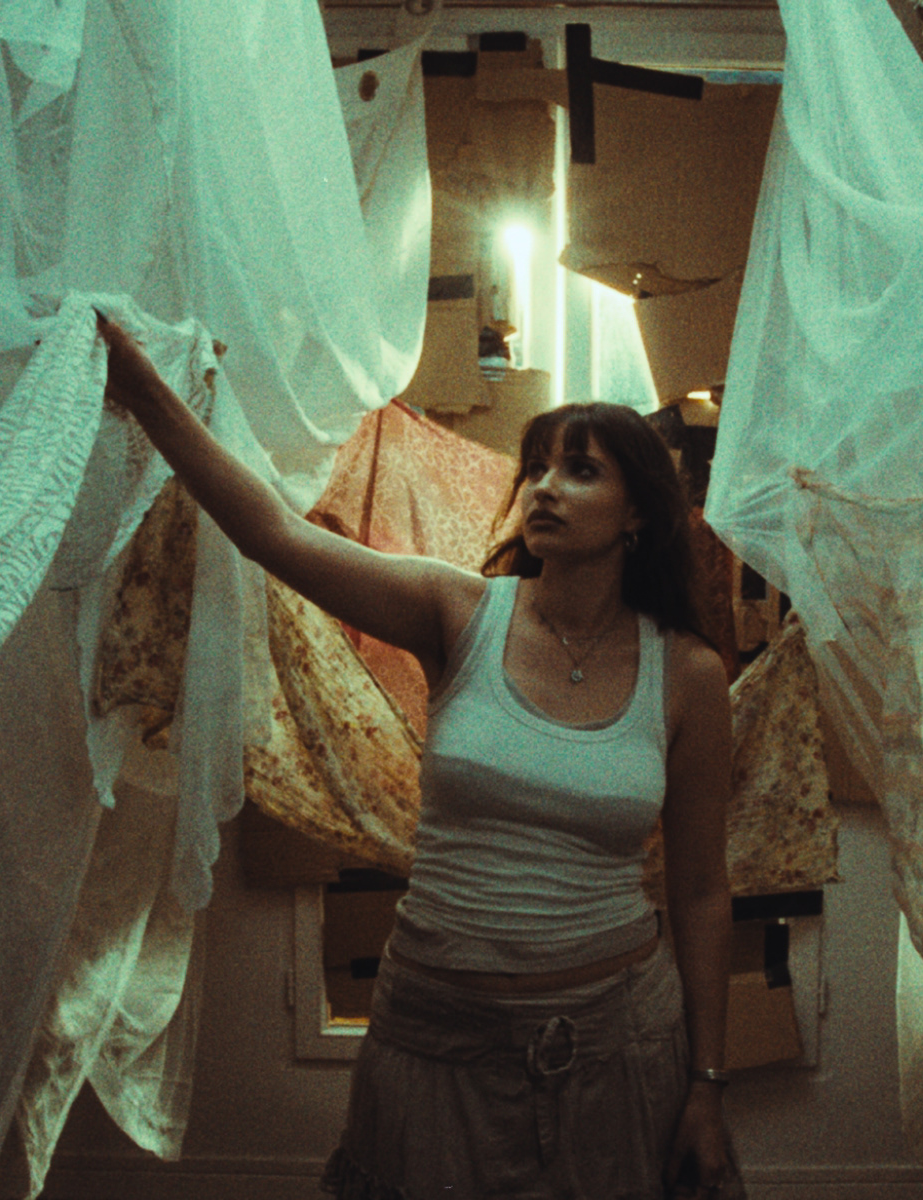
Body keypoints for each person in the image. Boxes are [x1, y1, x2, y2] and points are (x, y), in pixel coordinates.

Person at [97, 314, 740, 1199]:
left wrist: (707, 1085)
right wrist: (146, 393)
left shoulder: (688, 674)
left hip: (615, 1044)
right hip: (432, 1037)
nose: (544, 489)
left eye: (581, 470)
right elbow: (275, 536)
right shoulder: (460, 611)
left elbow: (702, 893)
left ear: (638, 514)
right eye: (537, 469)